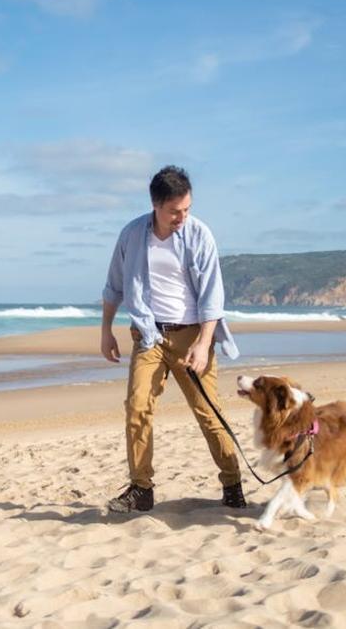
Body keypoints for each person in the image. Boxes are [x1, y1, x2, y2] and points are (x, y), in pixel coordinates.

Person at [100, 165, 247, 513]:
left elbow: (213, 295)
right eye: (174, 211)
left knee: (207, 413)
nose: (182, 216)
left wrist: (202, 342)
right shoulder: (132, 235)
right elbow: (114, 286)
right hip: (149, 337)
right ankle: (141, 488)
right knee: (137, 408)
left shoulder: (199, 235)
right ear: (156, 206)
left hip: (192, 335)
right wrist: (105, 330)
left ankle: (232, 483)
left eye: (187, 209)